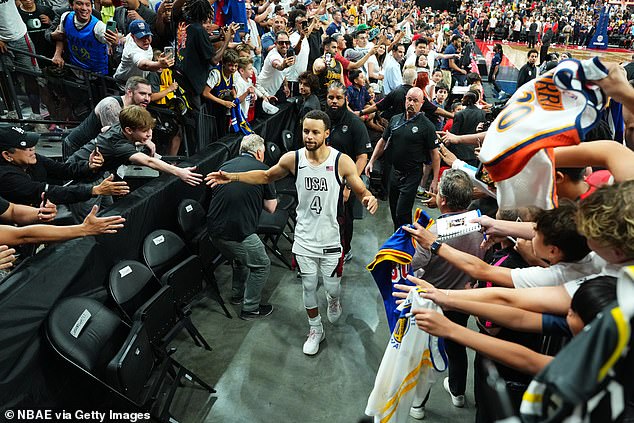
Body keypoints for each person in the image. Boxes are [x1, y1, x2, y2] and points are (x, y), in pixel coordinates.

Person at [205, 109, 378, 356]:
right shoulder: (293, 159)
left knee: (331, 288)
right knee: (308, 287)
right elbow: (265, 175)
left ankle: (333, 299)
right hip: (305, 237)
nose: (309, 136)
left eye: (315, 132)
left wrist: (369, 198)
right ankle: (315, 329)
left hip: (330, 237)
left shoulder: (341, 161)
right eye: (306, 131)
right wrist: (232, 176)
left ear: (327, 134)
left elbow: (360, 189)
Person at [408, 169, 485, 419]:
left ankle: (418, 404)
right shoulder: (480, 227)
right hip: (463, 301)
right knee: (457, 346)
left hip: (433, 303)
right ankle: (458, 393)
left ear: (442, 199)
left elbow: (414, 264)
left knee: (425, 353)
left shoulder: (433, 233)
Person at [207, 135, 277, 320]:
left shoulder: (224, 166)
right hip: (238, 231)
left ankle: (238, 295)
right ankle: (250, 308)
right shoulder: (263, 171)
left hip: (214, 231)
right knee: (261, 264)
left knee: (240, 259)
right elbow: (271, 208)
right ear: (260, 153)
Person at [67, 105, 203, 187]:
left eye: (150, 129)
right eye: (144, 131)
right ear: (128, 130)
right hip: (79, 176)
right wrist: (179, 172)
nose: (149, 134)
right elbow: (149, 161)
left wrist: (140, 140)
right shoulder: (120, 145)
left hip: (99, 174)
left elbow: (105, 129)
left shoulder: (120, 126)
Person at [366, 87, 440, 230]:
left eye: (415, 101)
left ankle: (406, 241)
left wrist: (435, 179)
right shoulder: (395, 120)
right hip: (395, 171)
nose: (411, 103)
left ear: (422, 103)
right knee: (393, 209)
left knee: (402, 212)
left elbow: (435, 155)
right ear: (405, 100)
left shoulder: (427, 126)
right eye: (409, 99)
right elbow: (382, 141)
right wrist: (371, 161)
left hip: (412, 174)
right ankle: (398, 236)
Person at [0, 126, 129, 207]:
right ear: (7, 155)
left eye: (31, 144)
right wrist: (94, 190)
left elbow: (63, 170)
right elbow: (48, 192)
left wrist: (89, 166)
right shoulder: (6, 176)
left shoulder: (34, 159)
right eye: (25, 147)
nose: (32, 148)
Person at [324, 82, 371, 263]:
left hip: (344, 182)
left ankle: (345, 250)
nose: (334, 101)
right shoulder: (320, 120)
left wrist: (350, 185)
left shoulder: (354, 123)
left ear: (346, 99)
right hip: (321, 179)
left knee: (344, 218)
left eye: (338, 98)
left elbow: (362, 157)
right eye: (331, 97)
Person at [63, 76, 153, 157]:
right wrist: (144, 141)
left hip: (97, 150)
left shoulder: (138, 109)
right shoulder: (110, 105)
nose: (147, 99)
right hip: (76, 147)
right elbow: (117, 139)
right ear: (129, 92)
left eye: (149, 95)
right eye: (142, 94)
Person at [202, 48, 240, 139]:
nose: (233, 68)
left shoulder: (233, 74)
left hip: (223, 111)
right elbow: (205, 93)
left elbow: (232, 87)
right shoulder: (216, 74)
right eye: (230, 65)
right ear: (223, 63)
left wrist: (234, 94)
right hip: (211, 111)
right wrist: (223, 102)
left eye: (236, 66)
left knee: (223, 133)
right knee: (213, 136)